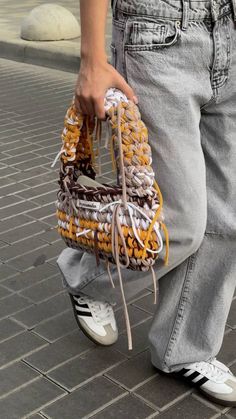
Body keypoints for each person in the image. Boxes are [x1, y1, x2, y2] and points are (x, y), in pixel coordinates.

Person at [57, 0, 236, 406]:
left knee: (228, 217)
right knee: (181, 223)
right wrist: (91, 57)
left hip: (229, 32)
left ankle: (185, 349)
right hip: (157, 35)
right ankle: (87, 278)